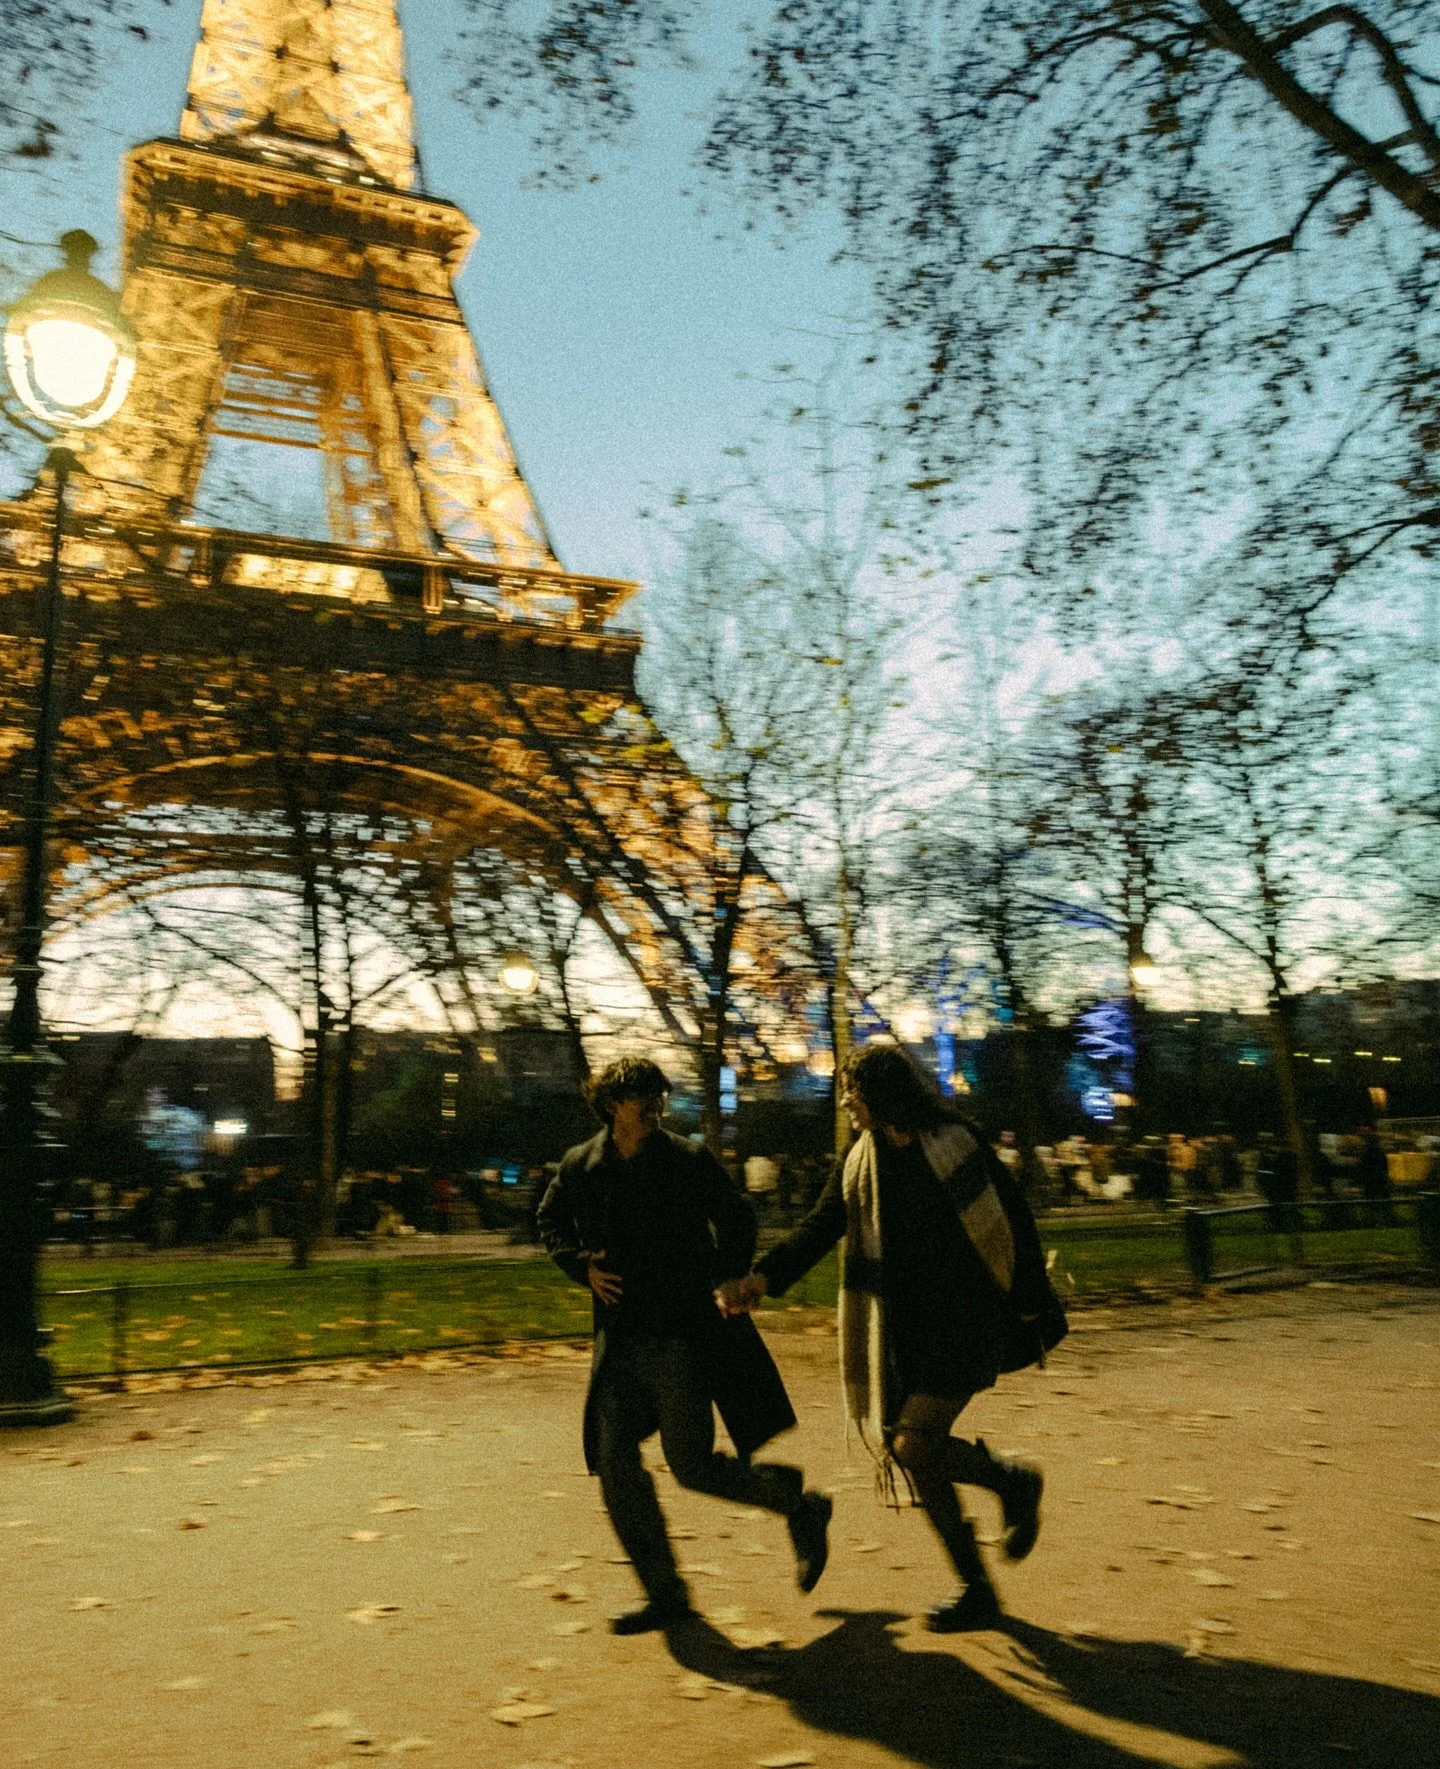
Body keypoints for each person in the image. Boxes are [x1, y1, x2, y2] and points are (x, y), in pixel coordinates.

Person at [720, 1043, 1067, 1633]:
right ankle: (984, 1563)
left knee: (913, 1444)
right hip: (905, 1325)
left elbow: (1010, 1221)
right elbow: (822, 1225)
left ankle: (1005, 1500)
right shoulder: (862, 1158)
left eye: (851, 1092)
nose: (845, 1102)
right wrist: (763, 1279)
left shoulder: (954, 1141)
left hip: (967, 1316)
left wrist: (1031, 1302)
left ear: (881, 1094)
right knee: (917, 1454)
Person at [537, 1055, 832, 1636]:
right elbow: (549, 1220)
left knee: (691, 1466)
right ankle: (665, 1593)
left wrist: (726, 1276)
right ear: (611, 1105)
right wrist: (580, 1267)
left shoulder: (686, 1159)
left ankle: (797, 1503)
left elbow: (738, 1219)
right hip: (620, 1341)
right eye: (642, 1098)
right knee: (615, 1464)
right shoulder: (581, 1165)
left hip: (680, 1337)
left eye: (659, 1097)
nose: (655, 1108)